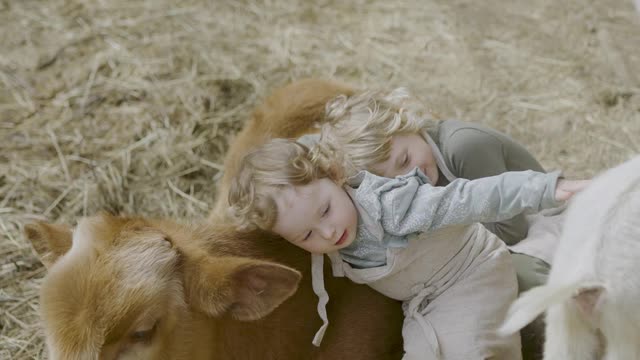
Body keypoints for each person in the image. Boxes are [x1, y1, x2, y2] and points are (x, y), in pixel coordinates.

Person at [227, 137, 588, 359]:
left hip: (470, 274)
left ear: (335, 174)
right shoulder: (313, 213)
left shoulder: (392, 206)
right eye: (307, 236)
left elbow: (468, 197)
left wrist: (543, 189)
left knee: (471, 351)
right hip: (425, 301)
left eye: (325, 210)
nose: (328, 231)